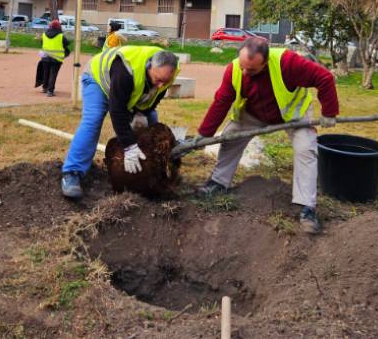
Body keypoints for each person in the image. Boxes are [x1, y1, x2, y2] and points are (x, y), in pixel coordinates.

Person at [194, 38, 338, 234]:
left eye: (251, 70)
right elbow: (222, 101)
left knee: (306, 149)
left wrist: (329, 112)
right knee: (230, 137)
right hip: (254, 113)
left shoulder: (288, 63)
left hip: (292, 116)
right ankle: (218, 182)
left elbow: (324, 78)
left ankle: (306, 207)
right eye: (243, 66)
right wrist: (204, 134)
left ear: (265, 62)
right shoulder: (234, 69)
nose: (245, 72)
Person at [61, 46, 180, 199]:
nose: (161, 86)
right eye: (158, 80)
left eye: (165, 81)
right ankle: (72, 173)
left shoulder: (167, 72)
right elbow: (117, 111)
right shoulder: (126, 71)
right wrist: (129, 146)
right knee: (93, 119)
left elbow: (152, 100)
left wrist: (141, 114)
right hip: (98, 80)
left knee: (152, 122)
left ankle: (158, 169)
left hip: (127, 88)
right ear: (149, 66)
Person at [39, 19, 70, 97]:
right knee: (53, 74)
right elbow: (67, 43)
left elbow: (42, 43)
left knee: (46, 73)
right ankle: (50, 91)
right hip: (56, 59)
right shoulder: (61, 36)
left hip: (45, 58)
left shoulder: (44, 34)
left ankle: (45, 88)